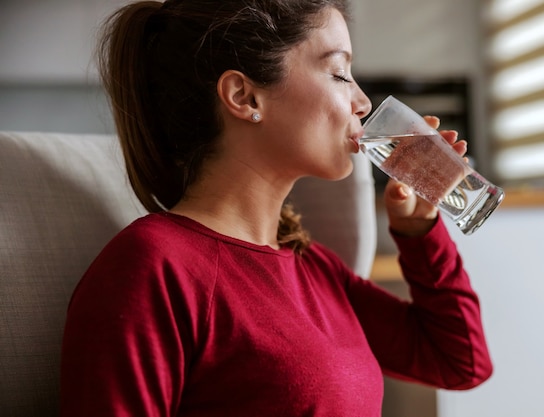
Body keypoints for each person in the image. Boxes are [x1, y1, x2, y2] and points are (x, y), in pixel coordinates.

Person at [60, 0, 493, 415]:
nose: (363, 103)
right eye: (339, 73)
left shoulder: (311, 266)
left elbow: (460, 362)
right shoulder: (152, 267)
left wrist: (420, 232)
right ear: (245, 97)